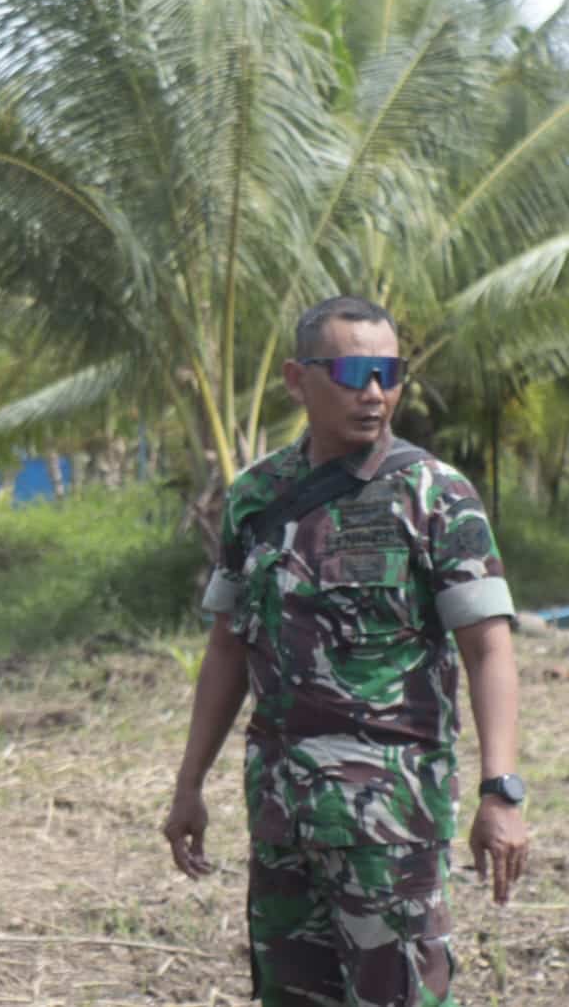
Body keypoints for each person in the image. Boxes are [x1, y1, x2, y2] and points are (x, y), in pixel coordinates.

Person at [162, 295, 529, 1006]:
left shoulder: (434, 495)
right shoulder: (255, 496)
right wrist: (188, 784)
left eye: (387, 372)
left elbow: (489, 649)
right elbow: (226, 648)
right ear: (297, 381)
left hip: (389, 820)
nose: (373, 393)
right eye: (352, 371)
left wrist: (500, 790)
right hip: (281, 813)